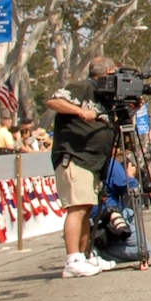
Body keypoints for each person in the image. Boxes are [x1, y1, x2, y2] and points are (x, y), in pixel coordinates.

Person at [46, 57, 119, 278]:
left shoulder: (106, 98)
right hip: (75, 157)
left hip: (93, 162)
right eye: (114, 72)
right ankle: (72, 259)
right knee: (77, 208)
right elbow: (53, 102)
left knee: (86, 209)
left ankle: (86, 255)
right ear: (107, 71)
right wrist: (79, 112)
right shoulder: (83, 87)